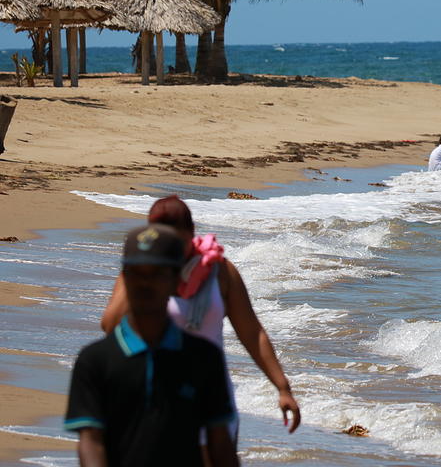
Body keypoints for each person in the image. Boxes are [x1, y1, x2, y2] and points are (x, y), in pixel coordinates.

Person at [100, 195, 301, 445]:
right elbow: (110, 325)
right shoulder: (140, 272)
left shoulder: (221, 272)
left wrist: (282, 387)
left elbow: (252, 332)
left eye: (177, 242)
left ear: (192, 233)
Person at [65, 224, 239, 467]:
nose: (146, 283)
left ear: (176, 279)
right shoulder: (94, 361)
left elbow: (220, 444)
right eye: (137, 273)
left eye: (157, 273)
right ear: (124, 277)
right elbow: (91, 442)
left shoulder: (204, 359)